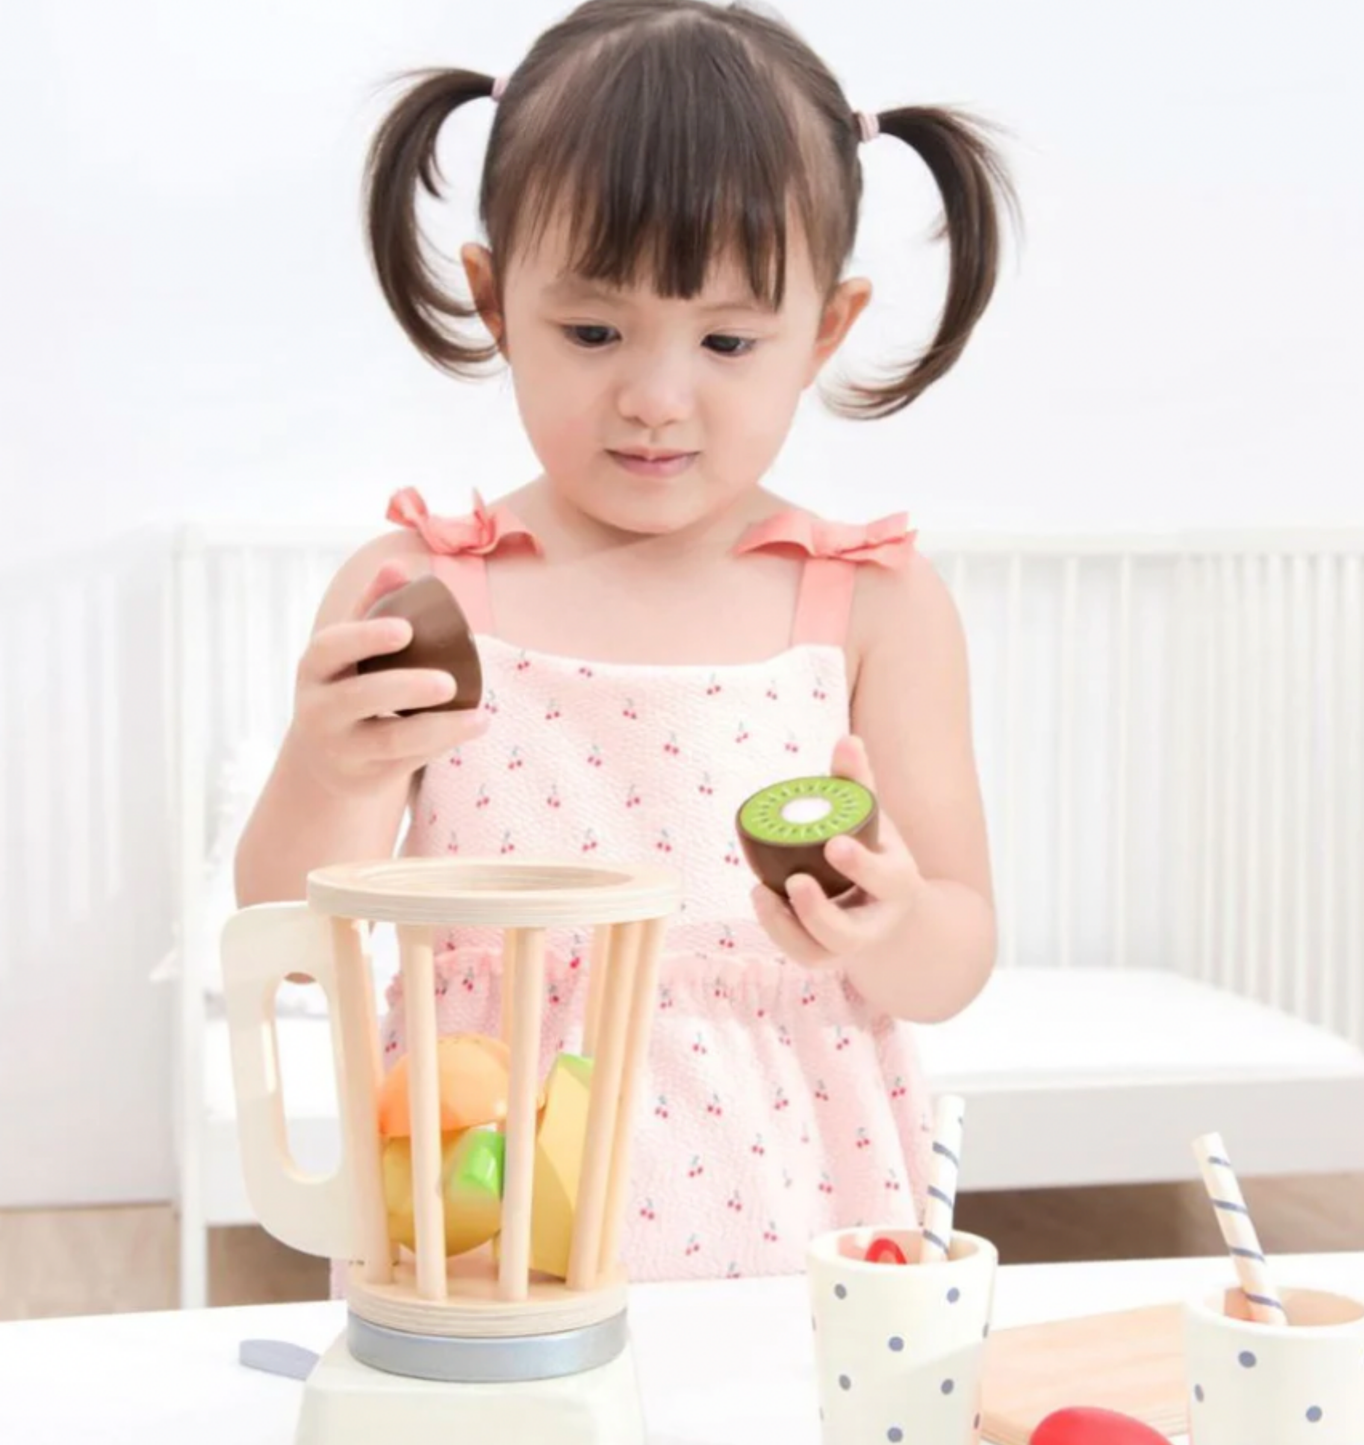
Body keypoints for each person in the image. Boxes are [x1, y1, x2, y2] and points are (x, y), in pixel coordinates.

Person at [236, 0, 1007, 1281]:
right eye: (591, 331)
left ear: (823, 326)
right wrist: (334, 769)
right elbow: (282, 924)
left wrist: (893, 918)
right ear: (492, 298)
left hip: (789, 1198)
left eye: (726, 339)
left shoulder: (871, 601)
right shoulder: (419, 586)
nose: (654, 398)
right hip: (480, 1204)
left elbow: (954, 960)